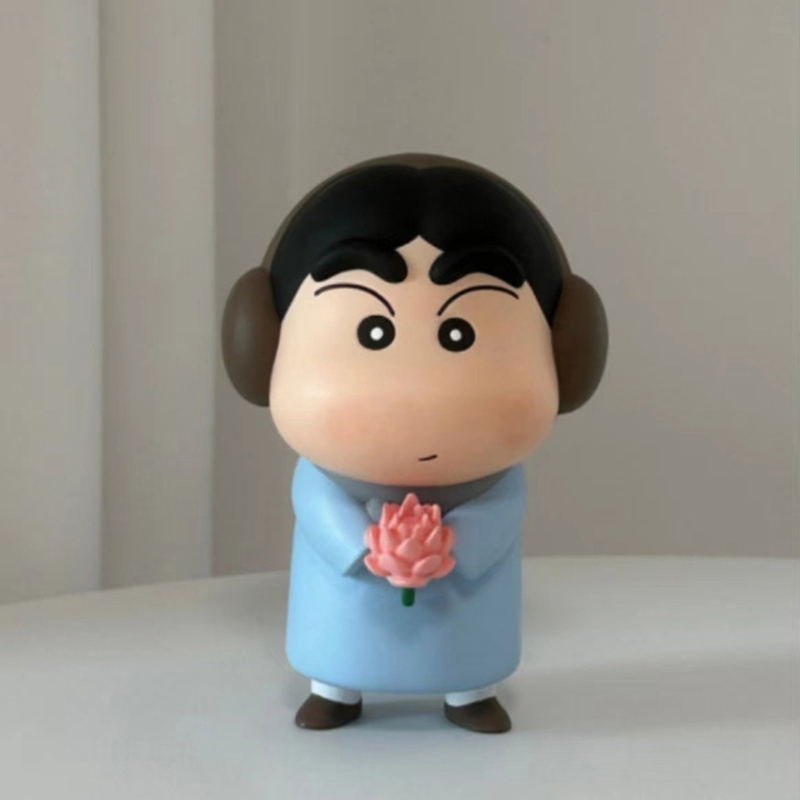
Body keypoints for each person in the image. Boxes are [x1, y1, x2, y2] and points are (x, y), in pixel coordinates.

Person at [222, 153, 608, 733]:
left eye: (459, 334)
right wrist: (361, 543)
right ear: (260, 346)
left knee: (470, 650)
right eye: (372, 332)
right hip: (343, 607)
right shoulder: (322, 478)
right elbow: (318, 507)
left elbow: (500, 514)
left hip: (469, 614)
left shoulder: (499, 485)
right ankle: (335, 686)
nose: (416, 392)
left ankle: (470, 691)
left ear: (567, 355)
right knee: (339, 645)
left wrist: (456, 542)